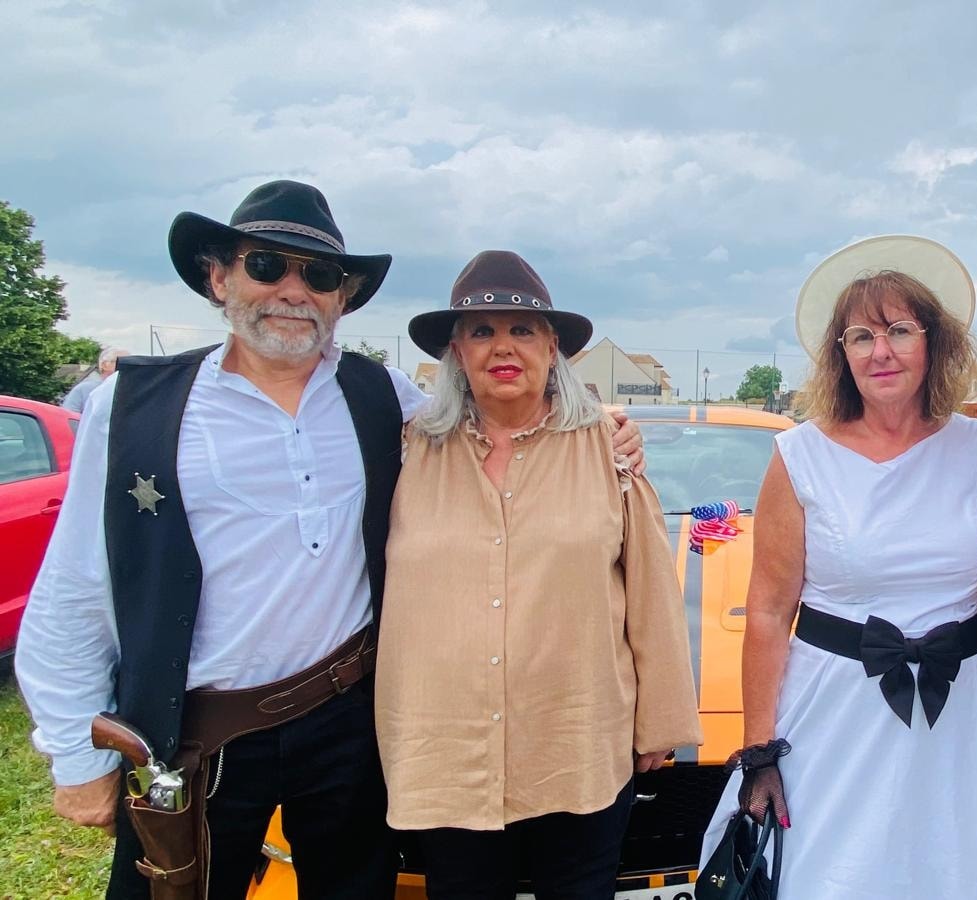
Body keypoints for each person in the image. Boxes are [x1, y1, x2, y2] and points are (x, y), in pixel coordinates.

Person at [16, 183, 643, 900]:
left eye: (317, 275)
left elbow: (497, 412)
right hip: (198, 732)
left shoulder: (384, 397)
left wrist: (600, 424)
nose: (293, 290)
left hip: (348, 726)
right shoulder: (132, 407)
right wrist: (75, 753)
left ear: (342, 298)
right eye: (265, 266)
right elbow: (76, 586)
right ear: (218, 278)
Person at [701, 236, 977, 898]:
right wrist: (758, 751)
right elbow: (768, 611)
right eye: (861, 337)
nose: (881, 351)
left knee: (956, 866)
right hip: (833, 710)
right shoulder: (800, 456)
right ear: (841, 354)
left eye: (900, 331)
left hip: (963, 709)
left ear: (934, 343)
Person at [377, 250, 701, 900]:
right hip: (445, 755)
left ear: (553, 348)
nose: (503, 347)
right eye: (482, 331)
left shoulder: (607, 453)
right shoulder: (408, 452)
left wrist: (662, 724)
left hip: (576, 751)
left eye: (522, 330)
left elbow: (652, 596)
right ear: (456, 352)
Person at [61, 347, 131, 413]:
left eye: (130, 364)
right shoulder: (84, 389)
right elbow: (68, 416)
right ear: (105, 365)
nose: (128, 367)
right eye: (123, 363)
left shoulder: (132, 390)